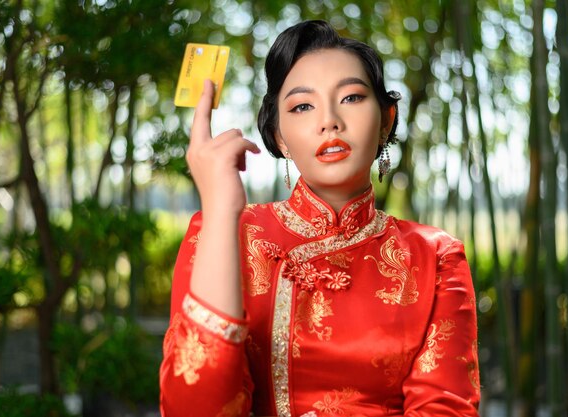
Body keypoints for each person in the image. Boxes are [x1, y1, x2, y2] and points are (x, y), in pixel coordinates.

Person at [159, 20, 480, 417]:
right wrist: (221, 209)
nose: (329, 120)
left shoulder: (434, 256)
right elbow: (195, 408)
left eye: (351, 98)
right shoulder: (222, 232)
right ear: (278, 136)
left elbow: (444, 409)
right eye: (302, 106)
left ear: (386, 120)